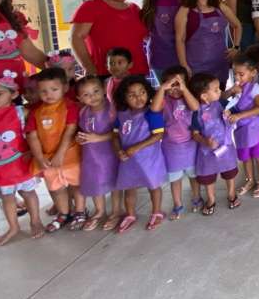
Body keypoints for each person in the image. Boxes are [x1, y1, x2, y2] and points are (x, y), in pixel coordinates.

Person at [0, 72, 42, 243]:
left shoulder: (21, 112)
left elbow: (36, 133)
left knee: (28, 192)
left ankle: (35, 221)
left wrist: (33, 152)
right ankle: (13, 227)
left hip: (21, 164)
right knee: (7, 197)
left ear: (13, 94)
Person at [26, 67, 83, 232]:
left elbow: (70, 130)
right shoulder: (36, 112)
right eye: (43, 91)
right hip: (47, 159)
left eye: (54, 89)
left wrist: (60, 154)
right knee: (56, 188)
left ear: (65, 88)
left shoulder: (70, 107)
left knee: (76, 185)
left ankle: (80, 212)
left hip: (70, 155)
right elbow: (32, 136)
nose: (48, 94)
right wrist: (39, 157)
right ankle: (64, 214)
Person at [112, 76, 167, 232]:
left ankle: (156, 212)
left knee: (153, 186)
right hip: (128, 160)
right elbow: (115, 135)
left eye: (142, 92)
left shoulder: (152, 113)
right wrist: (118, 150)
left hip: (149, 160)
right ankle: (130, 214)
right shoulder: (121, 114)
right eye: (132, 95)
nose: (138, 98)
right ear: (124, 98)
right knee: (129, 188)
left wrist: (136, 148)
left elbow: (158, 135)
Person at [70, 0, 150, 78]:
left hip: (137, 70)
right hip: (106, 72)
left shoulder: (134, 9)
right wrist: (89, 68)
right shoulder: (92, 6)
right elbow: (76, 38)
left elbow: (146, 36)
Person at [174, 0, 241, 87]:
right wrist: (184, 65)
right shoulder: (185, 10)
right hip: (196, 67)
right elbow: (179, 40)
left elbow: (237, 25)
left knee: (219, 95)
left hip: (220, 64)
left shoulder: (220, 6)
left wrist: (236, 47)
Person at [189, 72, 240, 214]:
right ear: (204, 96)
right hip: (207, 152)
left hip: (226, 147)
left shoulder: (222, 103)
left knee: (229, 172)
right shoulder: (196, 112)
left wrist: (230, 116)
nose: (220, 92)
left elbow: (234, 114)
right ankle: (211, 199)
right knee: (208, 176)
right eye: (216, 90)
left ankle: (231, 194)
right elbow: (194, 134)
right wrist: (205, 141)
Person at [153, 67, 201, 219]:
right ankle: (177, 204)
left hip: (190, 144)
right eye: (171, 84)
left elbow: (196, 107)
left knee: (194, 176)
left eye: (179, 84)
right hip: (171, 147)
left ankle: (197, 198)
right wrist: (162, 89)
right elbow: (154, 109)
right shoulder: (164, 100)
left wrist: (184, 89)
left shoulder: (188, 97)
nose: (175, 88)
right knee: (175, 179)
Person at [75, 75, 120, 231]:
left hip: (110, 153)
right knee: (95, 182)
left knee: (115, 183)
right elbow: (83, 131)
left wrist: (99, 138)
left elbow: (118, 132)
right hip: (91, 156)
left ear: (103, 90)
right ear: (80, 98)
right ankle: (100, 211)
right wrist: (79, 138)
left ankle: (116, 211)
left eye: (95, 91)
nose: (92, 96)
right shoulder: (83, 112)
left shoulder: (111, 109)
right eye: (86, 94)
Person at [224, 53, 259, 198]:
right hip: (242, 129)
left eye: (241, 74)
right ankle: (249, 180)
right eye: (235, 74)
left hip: (256, 127)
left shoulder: (255, 89)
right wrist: (231, 91)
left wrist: (239, 115)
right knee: (245, 156)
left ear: (253, 73)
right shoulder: (236, 87)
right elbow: (222, 98)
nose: (237, 77)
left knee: (258, 154)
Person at [140, 0, 182, 82]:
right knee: (167, 91)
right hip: (160, 57)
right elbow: (146, 30)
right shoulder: (149, 1)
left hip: (186, 56)